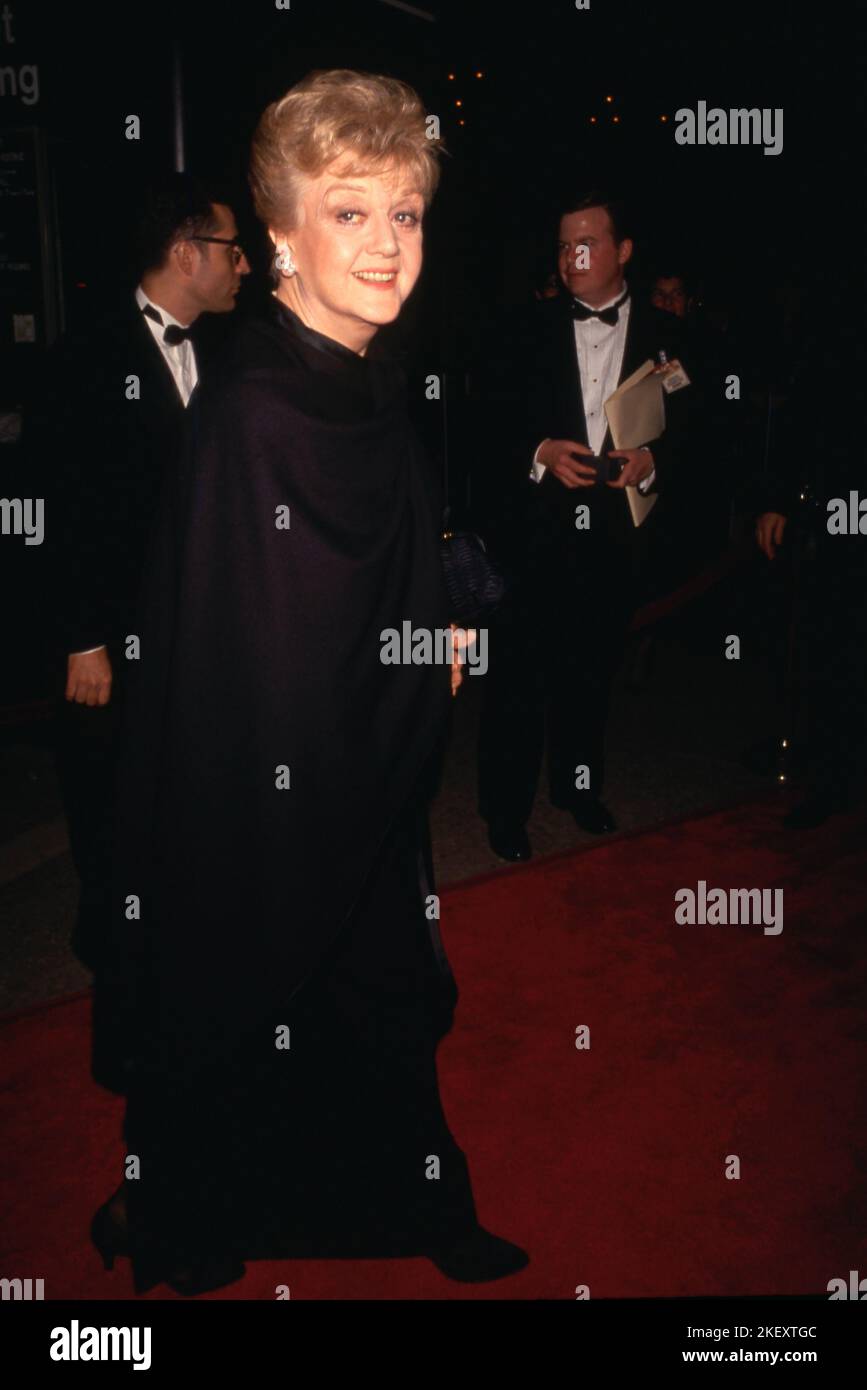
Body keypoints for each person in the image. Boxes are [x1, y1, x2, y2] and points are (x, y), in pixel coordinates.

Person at [90, 69, 528, 1295]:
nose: (390, 246)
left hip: (365, 763)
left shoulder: (364, 370)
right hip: (269, 793)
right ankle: (167, 1208)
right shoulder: (257, 409)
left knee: (375, 995)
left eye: (408, 211)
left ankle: (413, 1204)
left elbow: (384, 552)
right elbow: (249, 649)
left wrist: (436, 625)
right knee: (260, 987)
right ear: (279, 232)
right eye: (351, 211)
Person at [33, 174, 249, 988]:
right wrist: (80, 637)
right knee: (109, 797)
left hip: (211, 630)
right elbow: (55, 509)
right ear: (185, 253)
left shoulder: (234, 351)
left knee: (195, 787)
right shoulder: (84, 356)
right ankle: (114, 950)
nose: (244, 267)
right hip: (114, 632)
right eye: (231, 250)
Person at [477, 192, 689, 861]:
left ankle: (576, 789)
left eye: (588, 243)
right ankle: (503, 812)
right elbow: (479, 428)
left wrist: (653, 462)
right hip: (532, 537)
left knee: (588, 677)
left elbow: (707, 434)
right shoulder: (519, 330)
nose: (572, 257)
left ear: (623, 250)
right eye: (564, 245)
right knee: (514, 682)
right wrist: (537, 453)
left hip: (613, 542)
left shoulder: (670, 336)